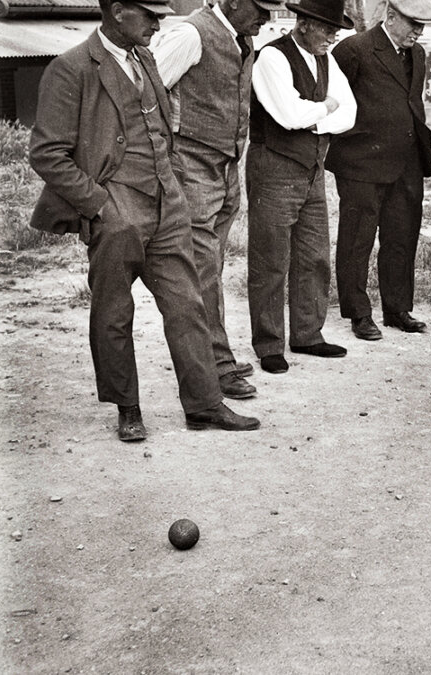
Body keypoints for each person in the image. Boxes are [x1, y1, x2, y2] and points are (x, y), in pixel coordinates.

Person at [28, 0, 260, 440]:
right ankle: (127, 408)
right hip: (115, 213)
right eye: (150, 14)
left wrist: (170, 183)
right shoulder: (71, 67)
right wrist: (99, 204)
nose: (159, 22)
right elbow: (46, 153)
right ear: (117, 11)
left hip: (168, 206)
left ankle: (205, 404)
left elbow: (161, 131)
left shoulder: (146, 57)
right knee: (114, 313)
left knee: (188, 305)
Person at [152, 0, 284, 400]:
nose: (269, 16)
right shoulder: (191, 34)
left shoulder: (241, 38)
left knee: (212, 266)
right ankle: (216, 366)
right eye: (261, 6)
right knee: (200, 271)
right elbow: (143, 92)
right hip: (190, 170)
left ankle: (211, 355)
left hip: (225, 170)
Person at [247, 0, 356, 374]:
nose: (333, 36)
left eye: (336, 29)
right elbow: (288, 116)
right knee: (270, 258)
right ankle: (269, 343)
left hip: (311, 169)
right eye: (327, 28)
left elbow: (350, 112)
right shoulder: (272, 58)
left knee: (314, 255)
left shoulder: (327, 59)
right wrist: (326, 107)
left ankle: (307, 334)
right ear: (305, 23)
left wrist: (316, 118)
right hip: (274, 168)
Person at [325, 0, 431, 341]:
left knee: (402, 237)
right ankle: (359, 313)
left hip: (407, 163)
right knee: (357, 239)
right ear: (390, 16)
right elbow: (330, 101)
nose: (418, 32)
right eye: (412, 23)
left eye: (423, 25)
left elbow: (411, 102)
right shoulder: (354, 49)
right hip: (362, 163)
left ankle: (397, 309)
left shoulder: (416, 55)